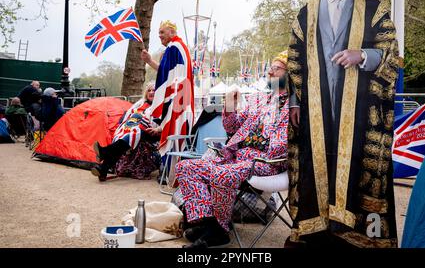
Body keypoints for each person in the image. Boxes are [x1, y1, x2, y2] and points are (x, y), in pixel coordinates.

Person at [286, 0, 400, 248]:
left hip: (361, 112)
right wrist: (295, 103)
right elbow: (294, 61)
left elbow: (392, 54)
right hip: (316, 111)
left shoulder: (373, 9)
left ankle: (356, 235)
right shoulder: (305, 12)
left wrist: (362, 54)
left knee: (358, 165)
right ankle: (317, 230)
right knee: (317, 165)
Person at [175, 51, 289, 248]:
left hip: (266, 163)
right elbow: (232, 128)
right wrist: (230, 106)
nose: (269, 72)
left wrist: (263, 133)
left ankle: (218, 230)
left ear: (290, 73)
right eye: (270, 67)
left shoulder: (295, 104)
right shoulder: (258, 99)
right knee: (186, 167)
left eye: (276, 68)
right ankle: (210, 225)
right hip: (236, 157)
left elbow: (282, 146)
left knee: (221, 173)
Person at [140, 20, 195, 179]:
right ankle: (174, 173)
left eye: (162, 32)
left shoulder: (173, 47)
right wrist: (150, 61)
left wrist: (149, 61)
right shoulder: (182, 48)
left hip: (177, 102)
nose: (159, 36)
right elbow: (167, 73)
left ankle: (171, 175)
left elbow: (164, 78)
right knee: (178, 134)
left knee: (173, 134)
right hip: (183, 102)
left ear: (172, 31)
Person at [91, 82, 162, 181]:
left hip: (154, 133)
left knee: (133, 134)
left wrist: (156, 129)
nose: (151, 92)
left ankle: (104, 153)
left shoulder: (161, 104)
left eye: (153, 90)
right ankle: (103, 169)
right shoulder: (140, 103)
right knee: (126, 140)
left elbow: (165, 123)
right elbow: (128, 117)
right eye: (149, 90)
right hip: (138, 130)